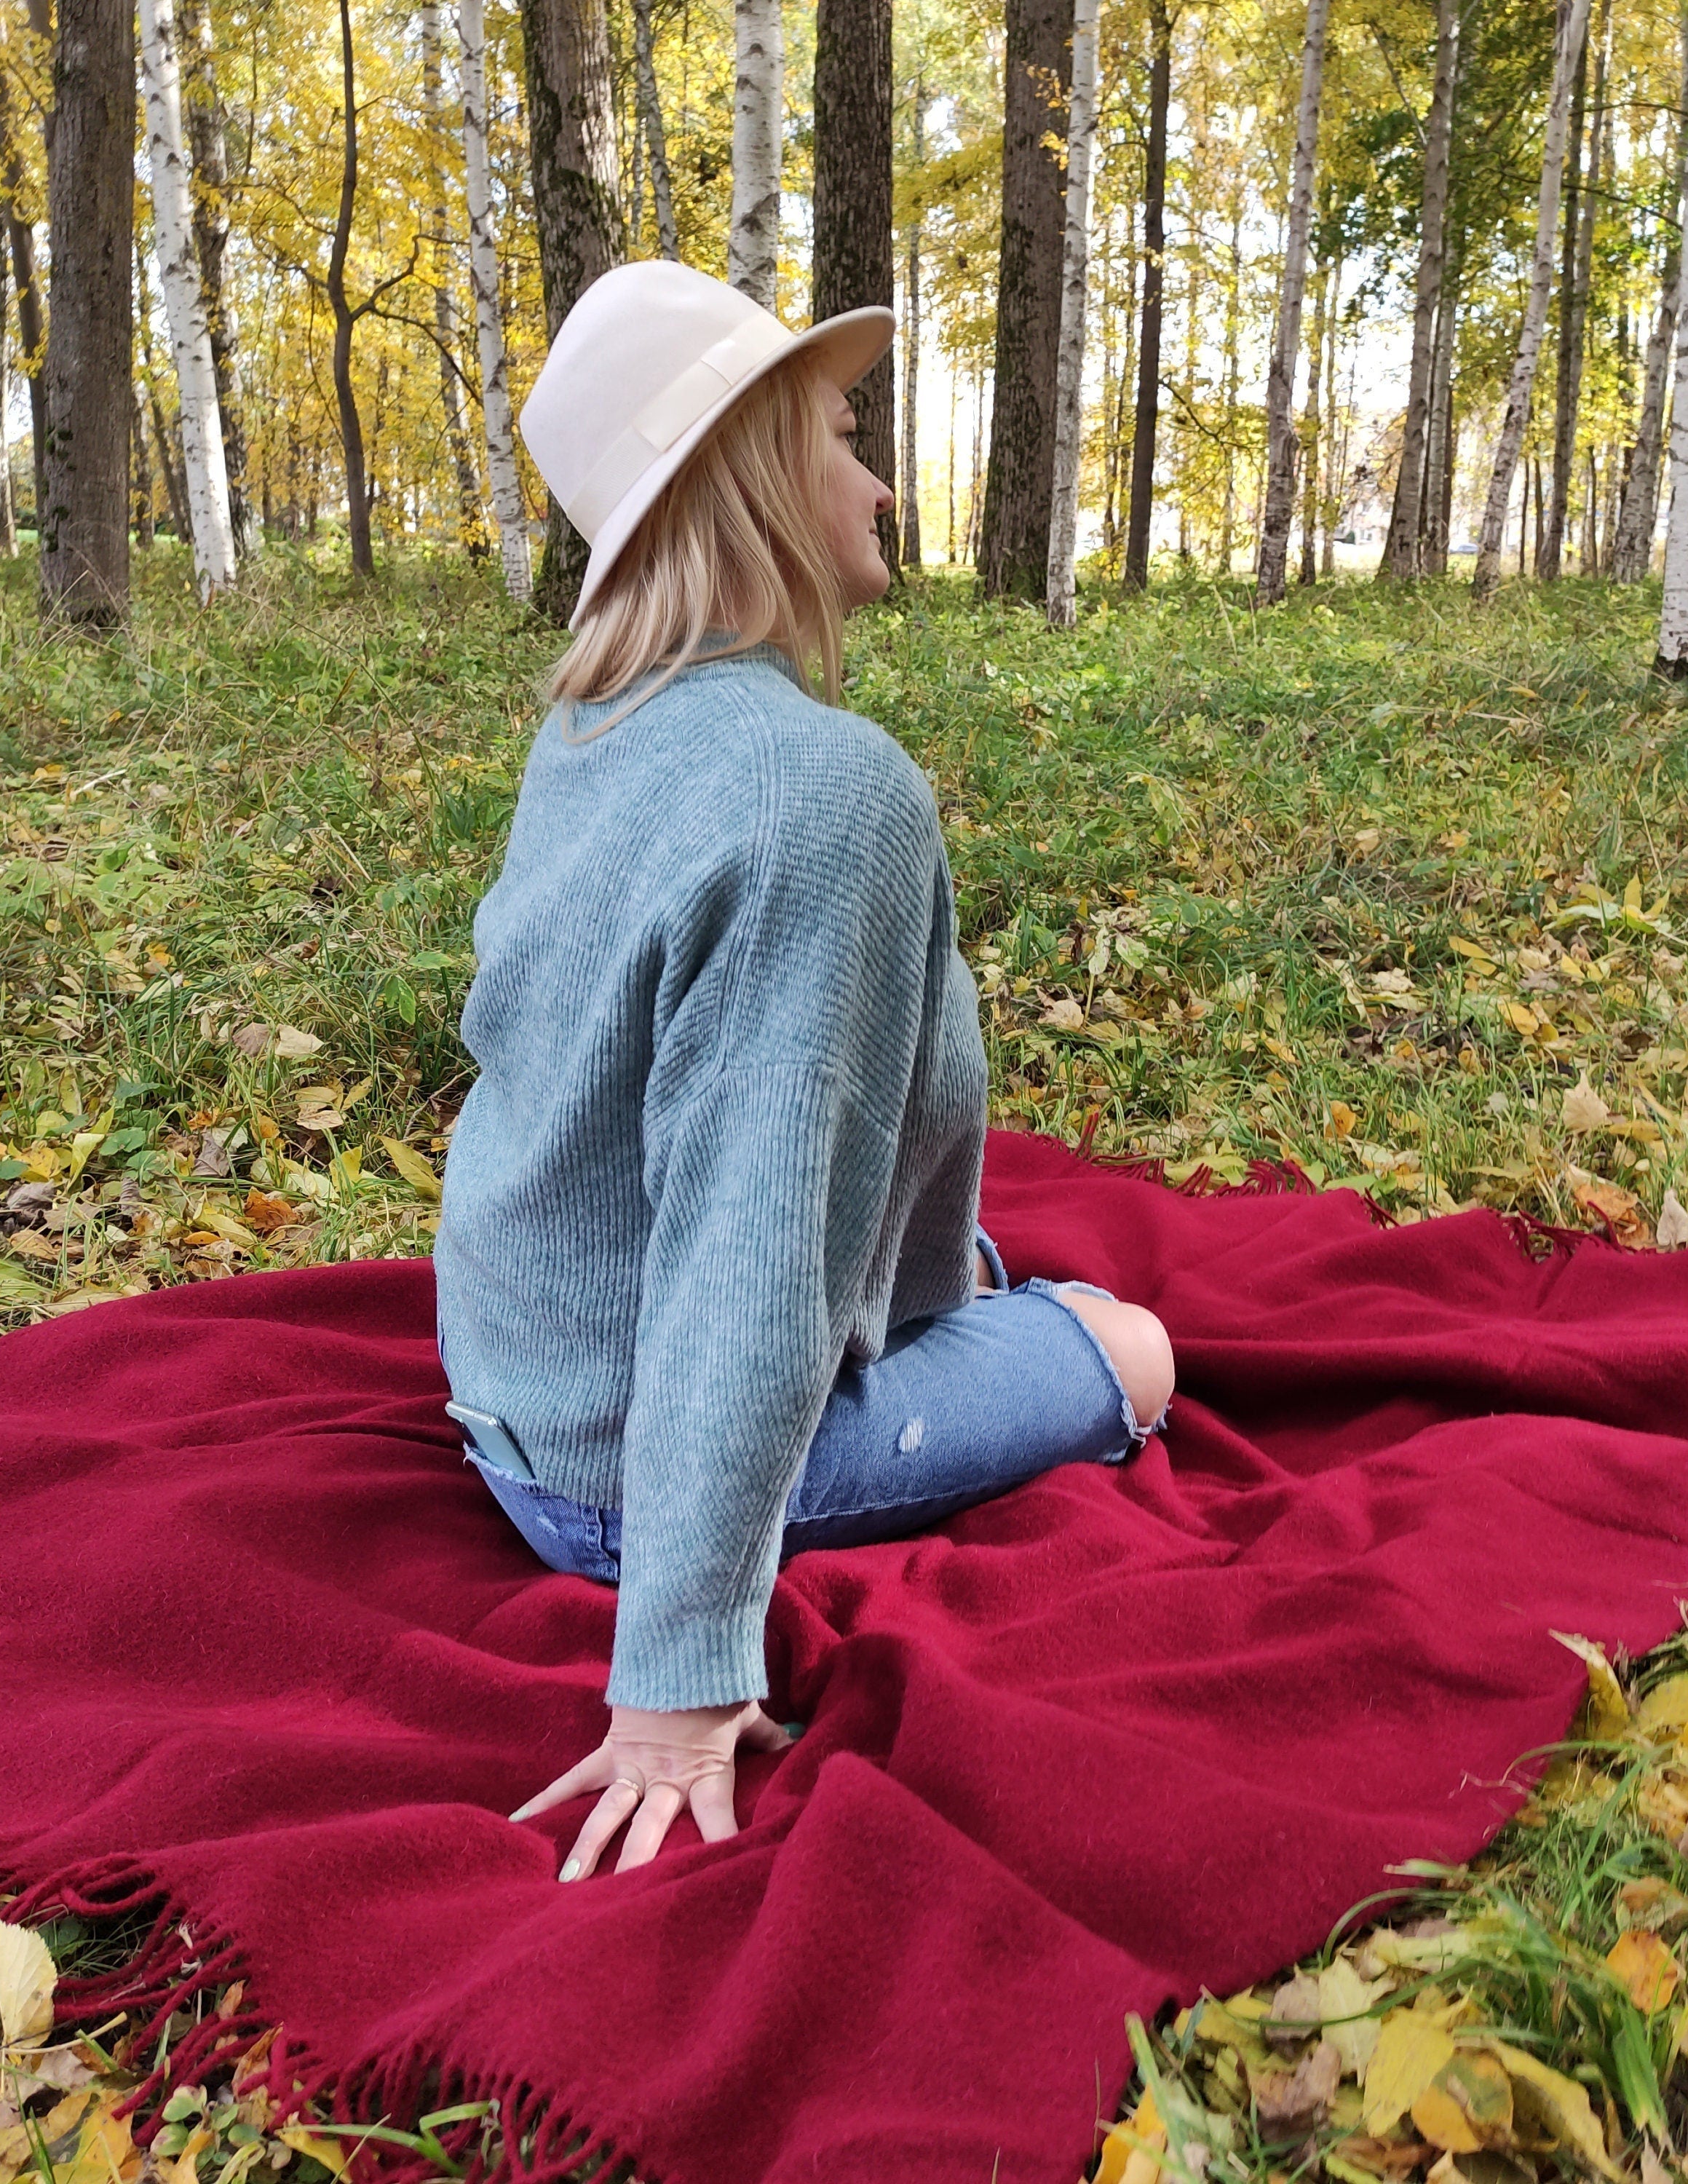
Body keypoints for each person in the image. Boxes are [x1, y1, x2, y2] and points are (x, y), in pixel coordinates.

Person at [433, 261, 1174, 1883]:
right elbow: (750, 1259)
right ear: (756, 470)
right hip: (636, 1476)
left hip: (522, 1392)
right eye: (842, 434)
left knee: (986, 1284)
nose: (879, 479)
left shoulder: (596, 727)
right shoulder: (824, 796)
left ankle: (941, 1333)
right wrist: (680, 1685)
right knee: (1138, 1346)